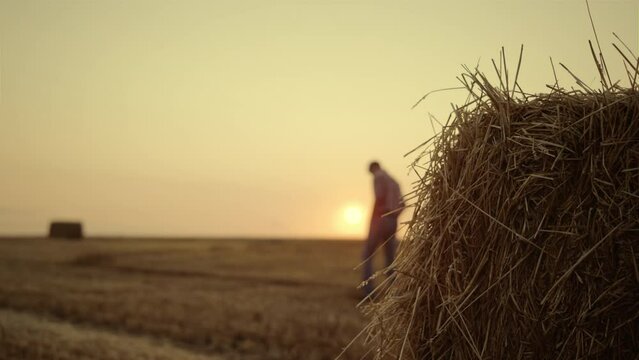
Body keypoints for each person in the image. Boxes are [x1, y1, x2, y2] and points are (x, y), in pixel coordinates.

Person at [362, 161, 404, 297]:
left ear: (373, 168)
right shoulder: (394, 181)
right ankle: (393, 292)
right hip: (392, 221)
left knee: (367, 255)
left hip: (380, 219)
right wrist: (394, 216)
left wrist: (373, 220)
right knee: (390, 258)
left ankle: (368, 290)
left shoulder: (378, 177)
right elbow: (403, 203)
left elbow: (379, 197)